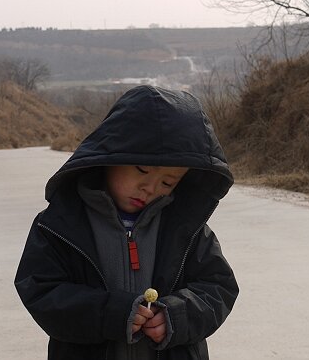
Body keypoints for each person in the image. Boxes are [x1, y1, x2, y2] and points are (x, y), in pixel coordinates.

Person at [14, 85, 238, 360]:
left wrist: (177, 316)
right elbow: (42, 291)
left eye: (167, 182)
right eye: (142, 170)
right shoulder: (59, 226)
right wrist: (111, 313)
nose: (150, 187)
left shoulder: (186, 228)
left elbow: (218, 288)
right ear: (110, 157)